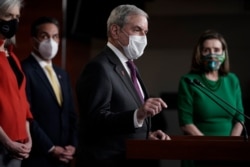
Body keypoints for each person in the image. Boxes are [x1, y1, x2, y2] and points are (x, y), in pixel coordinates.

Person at [75, 4, 170, 167]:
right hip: (108, 162)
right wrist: (138, 115)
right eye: (137, 30)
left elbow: (125, 120)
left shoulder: (130, 66)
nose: (143, 37)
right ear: (115, 31)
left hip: (131, 158)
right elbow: (95, 120)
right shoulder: (99, 67)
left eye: (145, 32)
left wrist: (146, 135)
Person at [177, 29, 244, 167]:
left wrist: (230, 146)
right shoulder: (188, 81)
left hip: (229, 153)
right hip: (199, 151)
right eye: (206, 50)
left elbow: (239, 117)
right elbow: (185, 122)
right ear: (199, 54)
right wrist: (211, 148)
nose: (212, 54)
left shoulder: (232, 80)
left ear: (224, 53)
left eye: (217, 49)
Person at [21, 16, 78, 167]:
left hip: (64, 157)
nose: (51, 41)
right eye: (44, 36)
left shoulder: (62, 74)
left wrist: (73, 145)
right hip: (38, 157)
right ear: (33, 41)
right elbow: (27, 116)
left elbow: (71, 114)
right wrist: (51, 148)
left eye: (55, 36)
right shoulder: (24, 70)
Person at [0, 0, 34, 166]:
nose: (14, 21)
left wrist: (28, 138)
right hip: (3, 145)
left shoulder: (11, 56)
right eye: (8, 16)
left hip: (18, 146)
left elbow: (23, 104)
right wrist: (7, 142)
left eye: (17, 17)